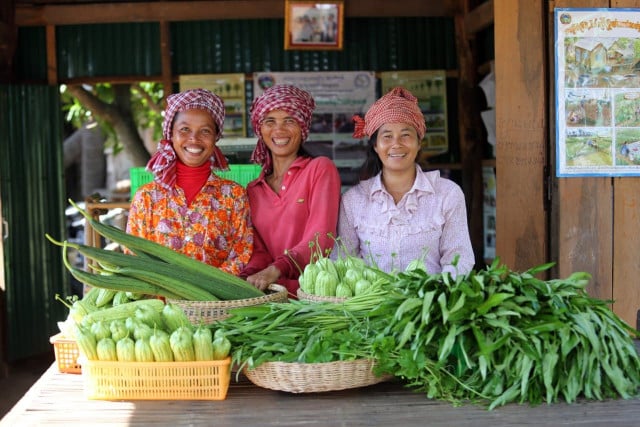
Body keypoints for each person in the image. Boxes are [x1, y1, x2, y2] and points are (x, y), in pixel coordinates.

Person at [336, 87, 475, 276]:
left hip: (428, 302)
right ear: (375, 146)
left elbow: (459, 258)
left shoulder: (448, 194)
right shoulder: (354, 200)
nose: (396, 144)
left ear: (419, 143)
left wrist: (436, 295)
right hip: (371, 304)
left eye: (406, 135)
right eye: (387, 136)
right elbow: (343, 262)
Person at [126, 88, 253, 275]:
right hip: (158, 302)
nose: (194, 139)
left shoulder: (233, 196)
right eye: (184, 129)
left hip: (215, 302)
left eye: (205, 131)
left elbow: (242, 254)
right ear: (171, 134)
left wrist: (205, 291)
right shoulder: (147, 198)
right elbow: (133, 256)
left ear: (216, 137)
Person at [240, 84, 341, 296]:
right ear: (260, 129)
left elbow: (321, 239)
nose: (279, 130)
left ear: (302, 127)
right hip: (270, 297)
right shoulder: (253, 189)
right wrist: (247, 276)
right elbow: (258, 251)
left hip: (313, 296)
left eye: (290, 120)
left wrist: (276, 269)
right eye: (270, 122)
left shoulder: (320, 169)